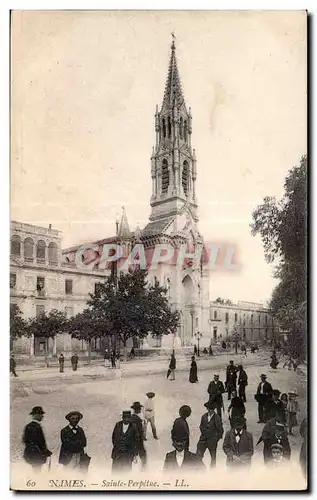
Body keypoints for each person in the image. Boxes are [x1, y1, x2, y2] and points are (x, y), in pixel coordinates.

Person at [23, 406, 52, 472]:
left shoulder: (29, 426)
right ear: (35, 415)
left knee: (36, 470)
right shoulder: (36, 426)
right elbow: (38, 441)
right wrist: (45, 451)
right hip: (36, 453)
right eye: (40, 414)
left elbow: (25, 440)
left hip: (31, 453)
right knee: (37, 471)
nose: (42, 416)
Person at [196, 401, 223, 467]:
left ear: (214, 409)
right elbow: (201, 427)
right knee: (198, 456)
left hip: (212, 441)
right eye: (209, 409)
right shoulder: (204, 416)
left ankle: (212, 472)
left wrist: (215, 439)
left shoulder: (217, 418)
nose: (210, 410)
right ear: (207, 408)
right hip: (203, 440)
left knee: (213, 458)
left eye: (212, 409)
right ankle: (201, 468)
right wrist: (205, 433)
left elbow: (220, 430)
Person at [130, 402, 147, 469]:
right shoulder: (138, 418)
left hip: (132, 437)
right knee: (142, 451)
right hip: (138, 437)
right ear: (138, 409)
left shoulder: (132, 417)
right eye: (139, 408)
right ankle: (143, 466)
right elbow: (140, 430)